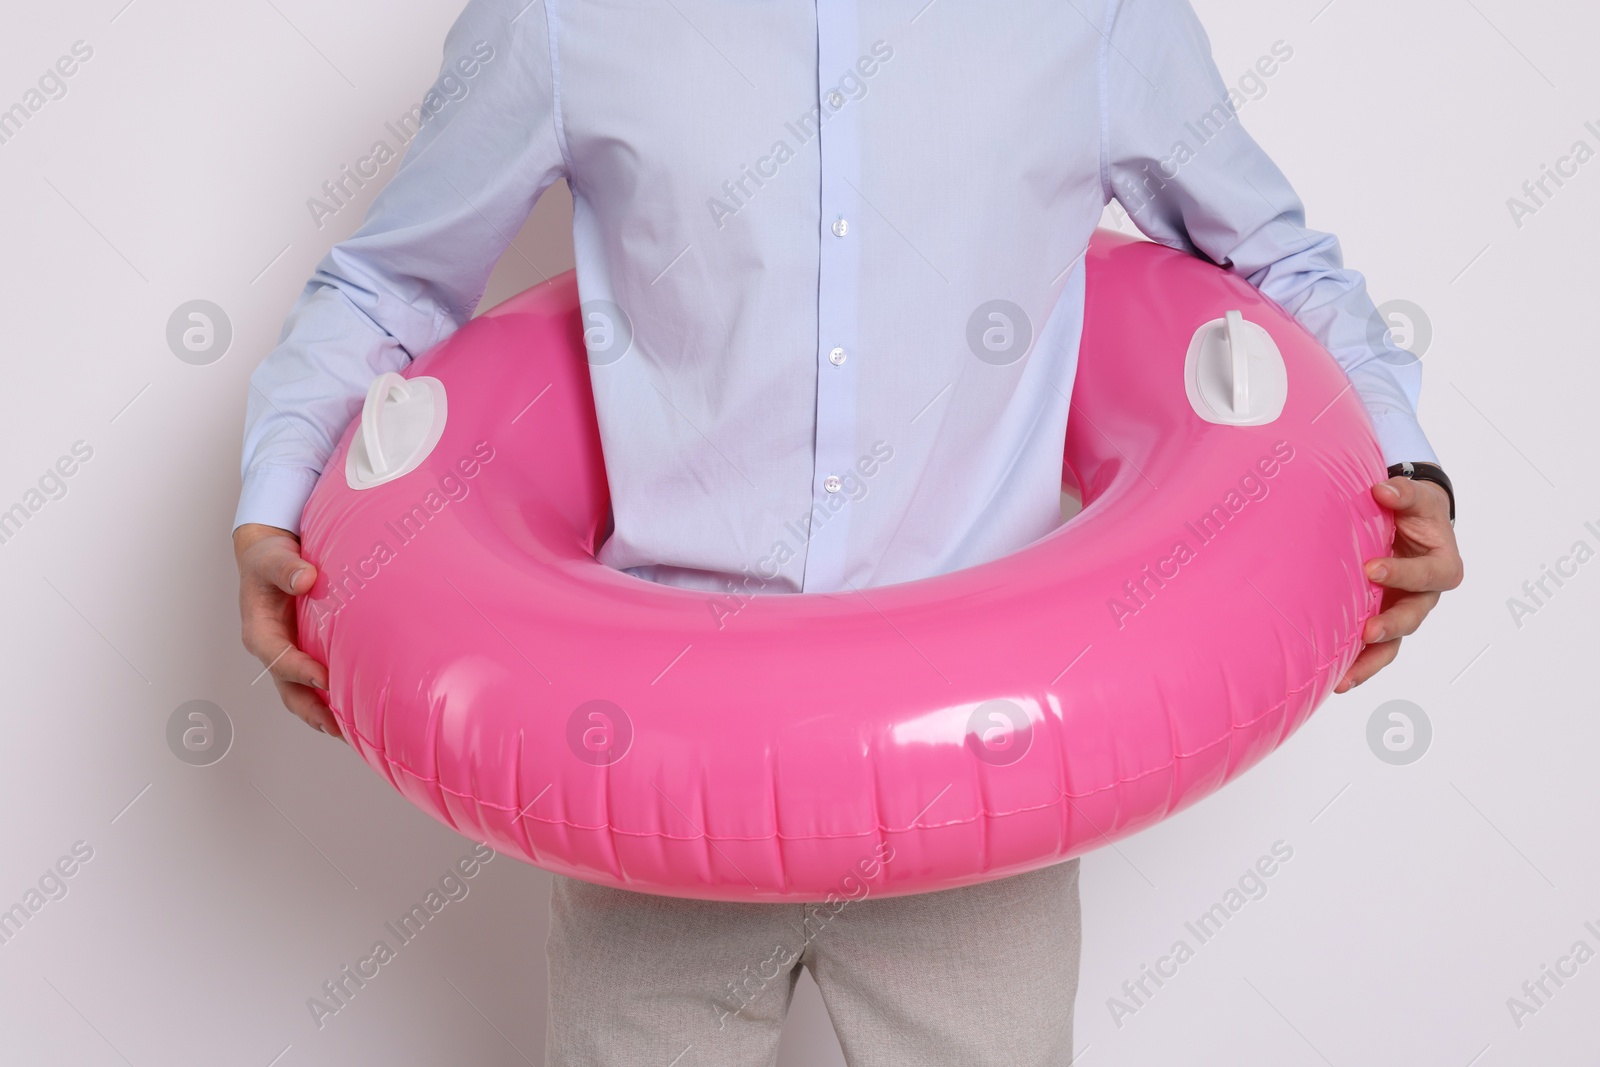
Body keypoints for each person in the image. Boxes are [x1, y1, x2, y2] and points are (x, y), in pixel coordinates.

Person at [233, 1, 1463, 1062]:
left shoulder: (1088, 16)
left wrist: (1401, 473)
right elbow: (389, 285)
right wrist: (280, 502)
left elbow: (1278, 265)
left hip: (986, 783)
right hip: (655, 771)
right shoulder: (569, 16)